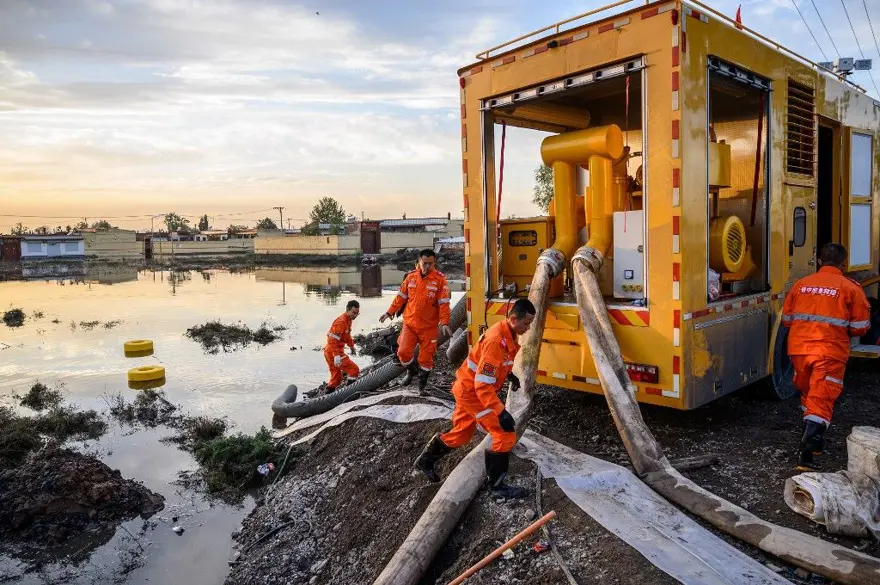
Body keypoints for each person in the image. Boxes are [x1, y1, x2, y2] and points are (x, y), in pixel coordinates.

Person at [413, 298, 536, 499]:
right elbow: (483, 385)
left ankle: (425, 461)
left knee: (462, 434)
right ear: (513, 319)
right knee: (505, 434)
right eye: (526, 324)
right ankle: (496, 487)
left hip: (466, 387)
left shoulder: (507, 333)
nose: (528, 328)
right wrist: (500, 411)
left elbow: (494, 364)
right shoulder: (497, 340)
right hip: (473, 393)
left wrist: (508, 375)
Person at [781, 243, 871, 471]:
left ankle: (815, 439)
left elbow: (787, 320)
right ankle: (806, 456)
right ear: (844, 264)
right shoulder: (850, 288)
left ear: (819, 261)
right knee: (822, 398)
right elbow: (860, 326)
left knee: (809, 393)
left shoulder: (801, 285)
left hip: (799, 350)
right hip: (829, 352)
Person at [380, 249, 451, 394]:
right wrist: (389, 312)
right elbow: (400, 298)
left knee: (426, 359)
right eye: (424, 263)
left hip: (429, 327)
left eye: (430, 264)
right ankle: (412, 372)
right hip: (410, 324)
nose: (427, 266)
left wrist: (444, 322)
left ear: (434, 262)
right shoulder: (411, 277)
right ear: (418, 261)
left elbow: (444, 304)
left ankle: (421, 387)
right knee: (403, 352)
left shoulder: (440, 280)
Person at [324, 300, 360, 392]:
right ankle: (349, 393)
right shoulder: (341, 322)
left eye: (357, 313)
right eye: (353, 313)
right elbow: (332, 340)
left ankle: (328, 395)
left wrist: (351, 346)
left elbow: (347, 336)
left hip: (331, 351)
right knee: (354, 370)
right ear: (347, 310)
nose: (355, 315)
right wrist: (336, 356)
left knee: (337, 377)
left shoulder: (348, 320)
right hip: (333, 351)